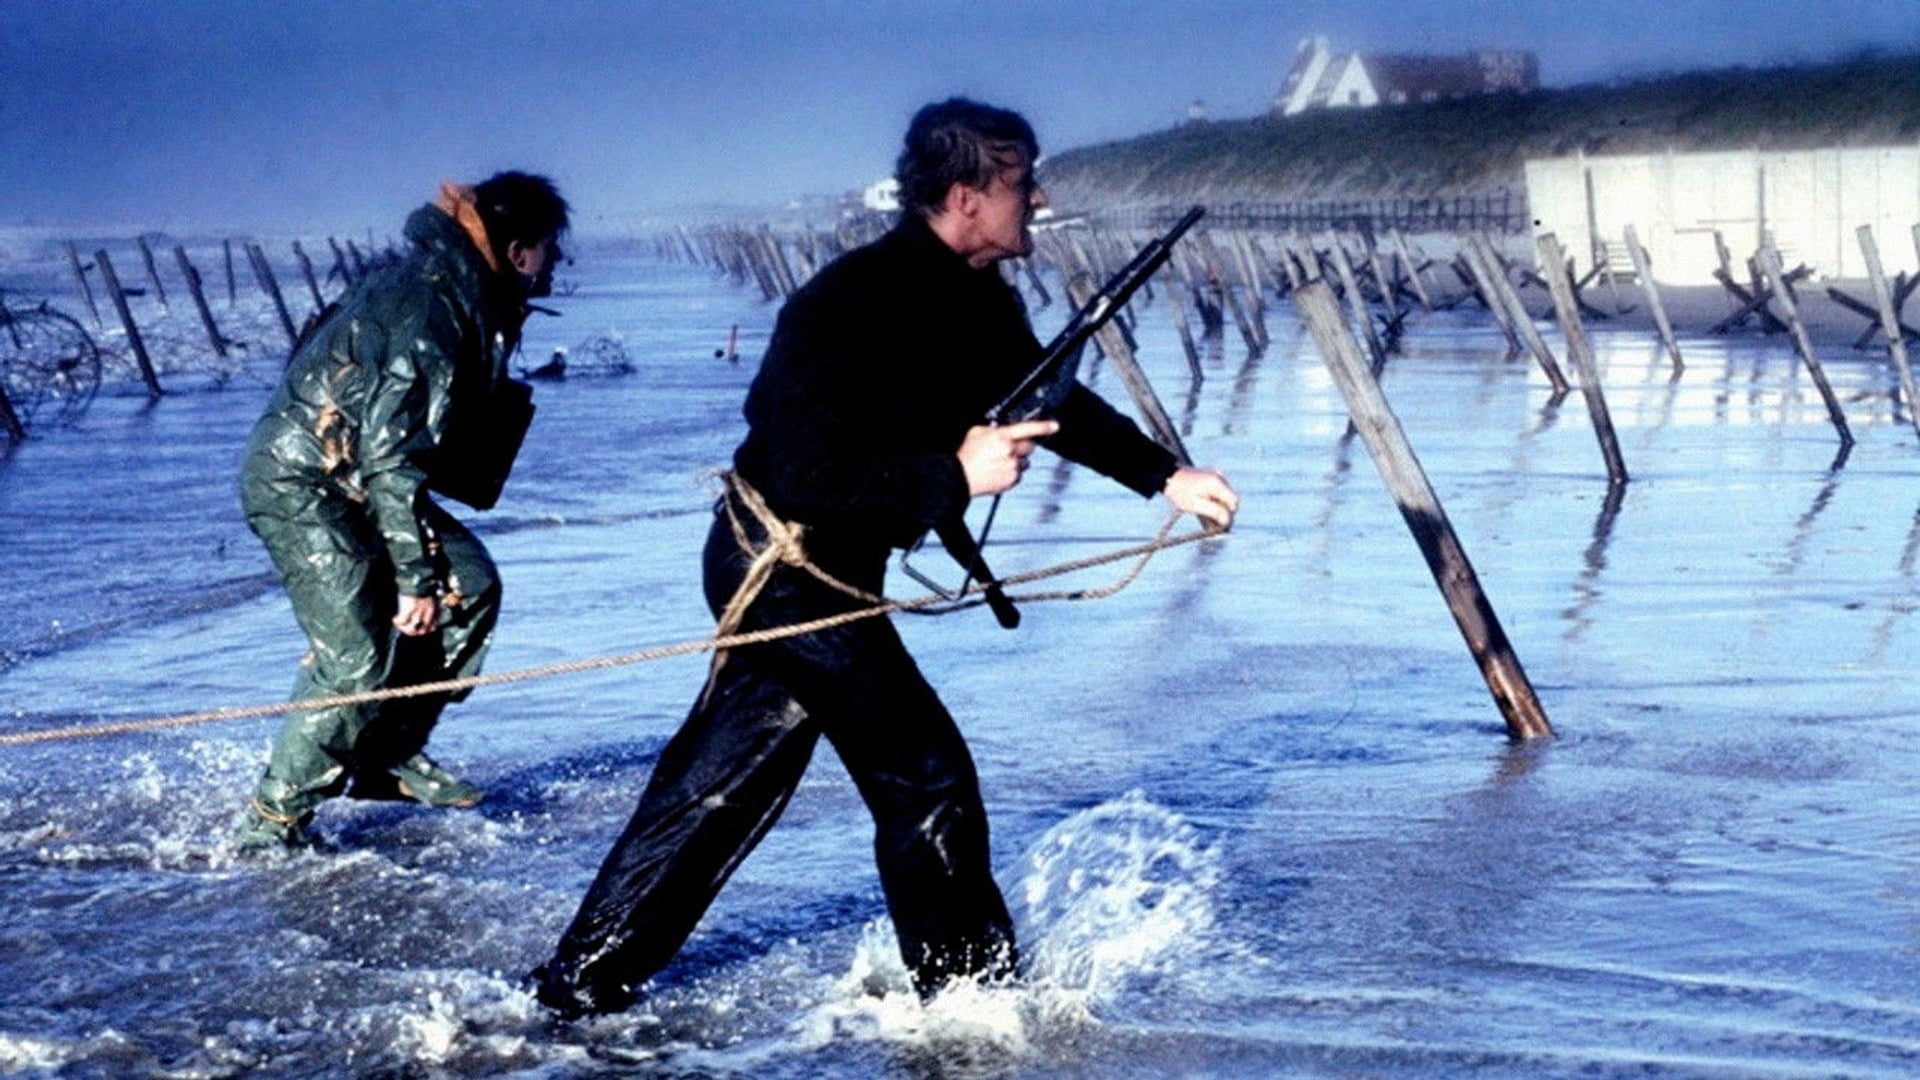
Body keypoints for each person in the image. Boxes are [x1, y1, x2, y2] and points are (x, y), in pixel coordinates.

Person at [527, 98, 1237, 1015]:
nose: (1040, 197)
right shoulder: (848, 305)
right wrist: (953, 474)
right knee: (926, 776)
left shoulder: (975, 294)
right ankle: (970, 1014)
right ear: (964, 196)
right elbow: (808, 473)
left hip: (827, 570)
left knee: (721, 789)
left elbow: (1044, 396)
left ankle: (573, 991)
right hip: (781, 566)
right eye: (1022, 183)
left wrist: (1165, 477)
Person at [233, 172, 571, 851]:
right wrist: (415, 583)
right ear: (516, 251)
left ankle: (384, 752)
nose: (556, 260)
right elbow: (393, 457)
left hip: (357, 477)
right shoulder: (431, 309)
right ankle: (271, 826)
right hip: (306, 485)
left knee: (470, 586)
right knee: (354, 662)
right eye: (549, 246)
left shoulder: (460, 291)